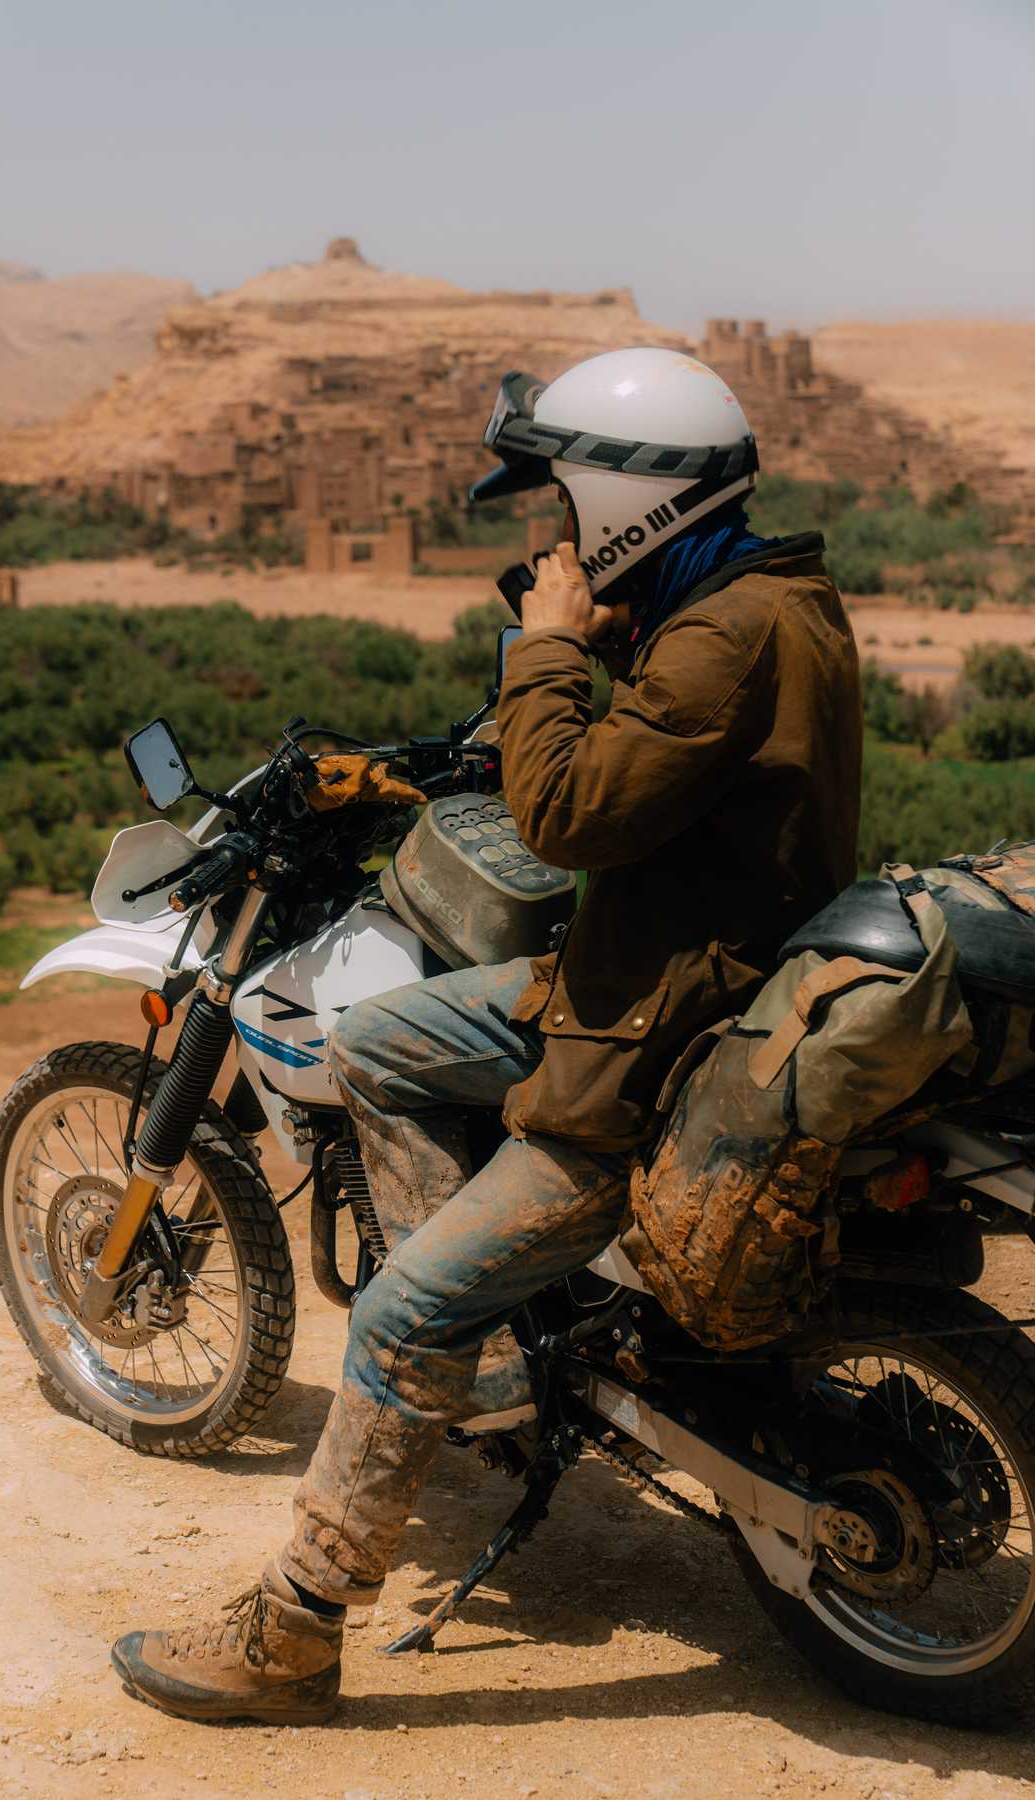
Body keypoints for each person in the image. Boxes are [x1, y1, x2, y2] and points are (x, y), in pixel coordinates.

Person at [110, 346, 863, 1723]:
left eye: (564, 509)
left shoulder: (722, 639)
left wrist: (548, 649)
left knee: (404, 1306)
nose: (553, 539)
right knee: (381, 1043)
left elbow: (571, 815)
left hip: (652, 1055)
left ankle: (295, 1630)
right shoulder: (770, 595)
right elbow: (652, 763)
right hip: (661, 979)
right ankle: (504, 1376)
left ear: (626, 498)